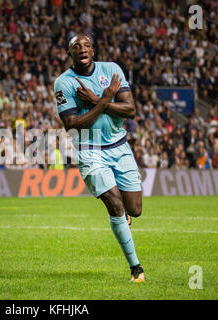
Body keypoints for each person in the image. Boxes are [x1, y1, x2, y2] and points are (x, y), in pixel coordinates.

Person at [53, 35, 144, 282]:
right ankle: (136, 268)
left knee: (134, 210)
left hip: (119, 144)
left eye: (85, 45)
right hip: (89, 148)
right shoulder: (64, 82)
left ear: (93, 50)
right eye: (76, 47)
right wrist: (104, 100)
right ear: (69, 53)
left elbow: (131, 110)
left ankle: (124, 217)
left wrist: (96, 101)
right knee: (114, 203)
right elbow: (72, 126)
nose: (81, 49)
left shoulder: (112, 70)